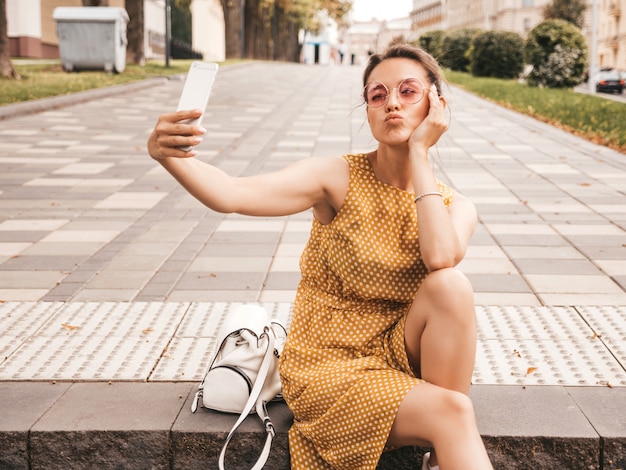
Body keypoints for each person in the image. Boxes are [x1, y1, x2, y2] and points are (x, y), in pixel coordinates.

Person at [147, 44, 493, 470]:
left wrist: (419, 154)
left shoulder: (456, 206)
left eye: (409, 92)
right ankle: (442, 448)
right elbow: (233, 194)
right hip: (327, 361)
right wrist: (168, 155)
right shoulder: (338, 177)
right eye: (378, 95)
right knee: (455, 411)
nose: (392, 104)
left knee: (450, 286)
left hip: (397, 352)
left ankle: (440, 451)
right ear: (367, 109)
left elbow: (441, 257)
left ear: (437, 105)